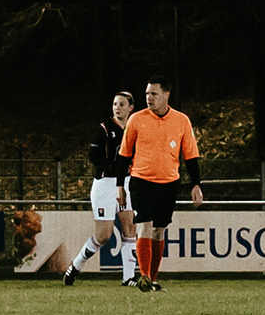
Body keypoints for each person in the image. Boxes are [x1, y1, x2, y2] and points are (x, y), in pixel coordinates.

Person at [117, 82, 202, 293]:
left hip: (169, 183)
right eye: (147, 93)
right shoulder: (137, 119)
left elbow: (190, 155)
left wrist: (196, 184)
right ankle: (144, 276)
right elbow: (124, 154)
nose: (149, 97)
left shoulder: (181, 120)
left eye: (154, 93)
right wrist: (120, 185)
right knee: (144, 225)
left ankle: (152, 280)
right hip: (141, 181)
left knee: (159, 230)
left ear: (166, 95)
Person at [77, 90, 134, 282]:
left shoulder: (134, 128)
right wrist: (111, 166)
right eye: (115, 104)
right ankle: (76, 264)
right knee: (104, 235)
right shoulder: (105, 128)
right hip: (105, 184)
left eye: (122, 104)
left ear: (130, 107)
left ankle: (128, 277)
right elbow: (94, 155)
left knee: (129, 228)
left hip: (126, 182)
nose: (117, 107)